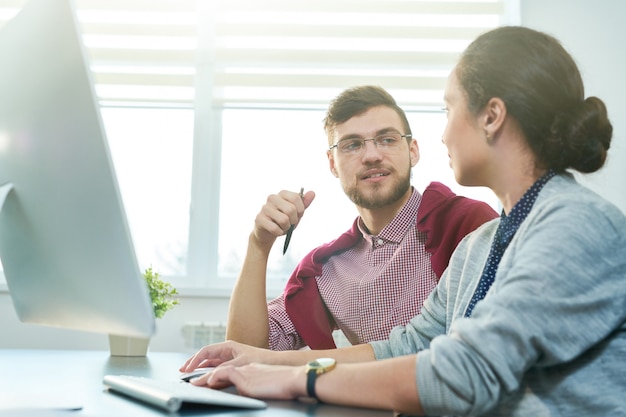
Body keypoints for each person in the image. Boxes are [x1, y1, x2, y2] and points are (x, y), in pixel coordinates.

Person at [181, 26, 626, 416]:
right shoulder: (484, 244)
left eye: (449, 110)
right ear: (332, 163)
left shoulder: (576, 225)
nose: (445, 132)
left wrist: (300, 380)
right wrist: (258, 362)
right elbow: (406, 348)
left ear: (490, 116)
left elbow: (464, 373)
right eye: (352, 145)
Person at [226, 85, 498, 350]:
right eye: (352, 145)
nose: (372, 156)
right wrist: (258, 245)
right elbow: (245, 351)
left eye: (388, 139)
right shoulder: (327, 269)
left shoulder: (470, 225)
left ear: (413, 151)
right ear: (333, 163)